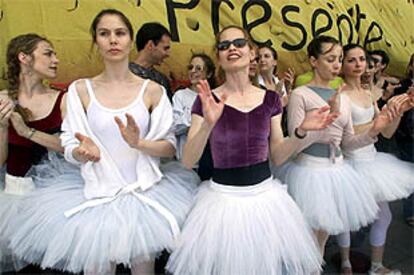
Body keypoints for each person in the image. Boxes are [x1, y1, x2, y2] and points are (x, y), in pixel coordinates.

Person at [6, 9, 198, 275]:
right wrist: (82, 152)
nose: (113, 40)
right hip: (95, 194)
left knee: (144, 268)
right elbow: (70, 143)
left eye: (119, 33)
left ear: (131, 40)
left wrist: (139, 143)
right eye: (104, 34)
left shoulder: (152, 90)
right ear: (96, 41)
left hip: (143, 194)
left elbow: (167, 148)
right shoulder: (79, 90)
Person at [166, 25, 343, 275]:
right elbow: (188, 161)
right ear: (219, 57)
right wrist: (208, 123)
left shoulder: (270, 99)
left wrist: (302, 131)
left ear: (251, 54)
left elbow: (279, 155)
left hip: (266, 198)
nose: (232, 48)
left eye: (239, 43)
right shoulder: (206, 100)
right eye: (224, 46)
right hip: (222, 201)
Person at [277, 35, 402, 262]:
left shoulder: (342, 98)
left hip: (336, 170)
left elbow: (347, 142)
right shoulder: (300, 94)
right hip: (308, 172)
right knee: (306, 237)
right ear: (314, 61)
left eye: (339, 59)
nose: (336, 64)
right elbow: (296, 143)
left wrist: (373, 131)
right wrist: (321, 122)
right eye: (330, 59)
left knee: (322, 238)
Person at [335, 44, 414, 275]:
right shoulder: (340, 96)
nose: (359, 64)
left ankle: (377, 265)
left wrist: (398, 110)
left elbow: (386, 132)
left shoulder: (368, 94)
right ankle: (345, 262)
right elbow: (344, 137)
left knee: (384, 214)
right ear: (342, 64)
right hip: (350, 162)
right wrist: (376, 123)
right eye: (352, 60)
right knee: (346, 217)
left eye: (362, 59)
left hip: (372, 160)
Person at [0, 33, 64, 272]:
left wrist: (27, 132)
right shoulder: (3, 101)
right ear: (24, 58)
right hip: (15, 199)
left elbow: (72, 149)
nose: (56, 60)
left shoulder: (63, 100)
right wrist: (3, 128)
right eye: (48, 53)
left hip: (55, 200)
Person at [173, 53, 215, 180]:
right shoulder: (180, 95)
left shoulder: (215, 96)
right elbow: (175, 126)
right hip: (187, 163)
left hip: (211, 160)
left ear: (209, 74)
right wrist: (197, 117)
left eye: (198, 68)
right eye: (190, 67)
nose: (193, 71)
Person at [129, 22, 173, 100]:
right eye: (165, 48)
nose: (168, 54)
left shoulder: (162, 80)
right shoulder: (121, 74)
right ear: (150, 45)